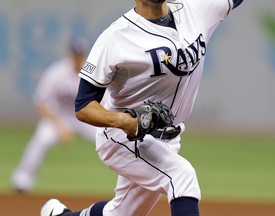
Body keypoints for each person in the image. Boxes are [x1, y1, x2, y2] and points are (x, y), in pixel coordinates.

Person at [40, 0, 244, 215]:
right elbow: (83, 106)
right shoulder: (115, 38)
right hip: (123, 137)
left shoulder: (197, 9)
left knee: (121, 213)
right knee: (181, 176)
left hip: (169, 138)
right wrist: (125, 122)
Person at [11, 37, 97, 193]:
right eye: (75, 53)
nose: (78, 57)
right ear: (70, 53)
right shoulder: (56, 72)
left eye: (81, 54)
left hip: (85, 117)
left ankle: (131, 183)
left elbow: (103, 103)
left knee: (109, 139)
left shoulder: (93, 73)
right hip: (59, 117)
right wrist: (59, 126)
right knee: (42, 139)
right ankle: (22, 182)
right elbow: (41, 103)